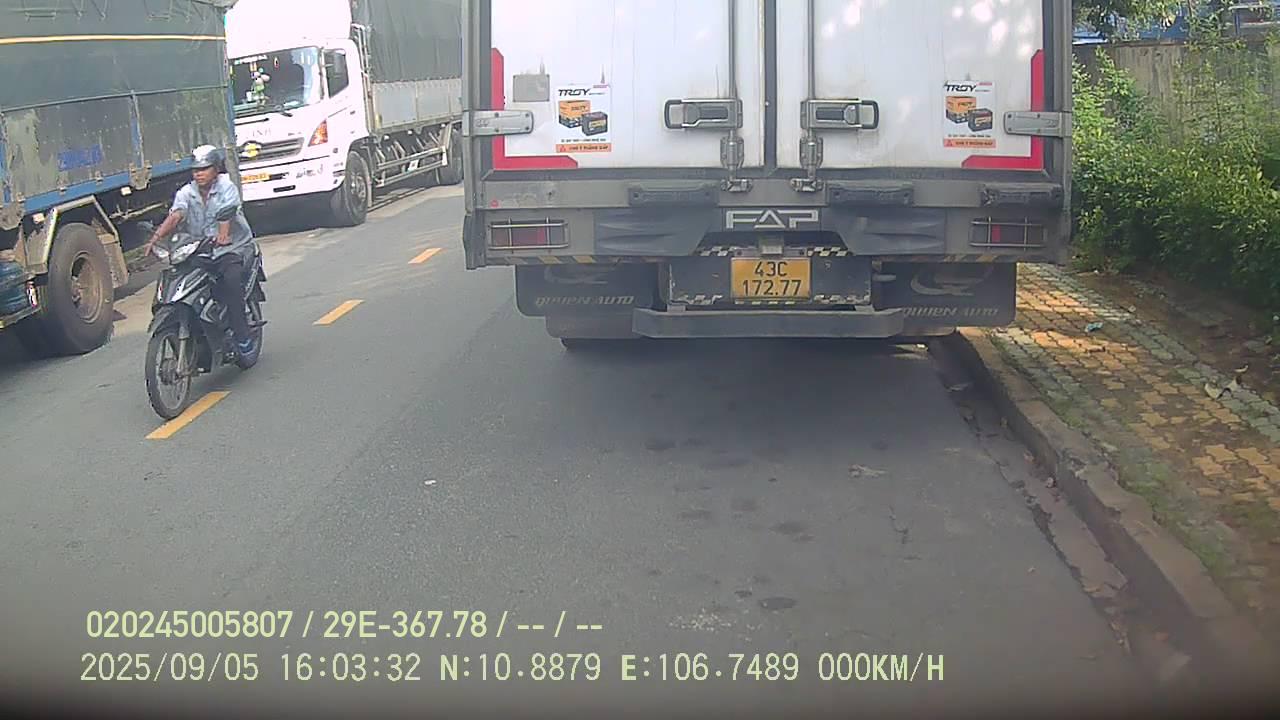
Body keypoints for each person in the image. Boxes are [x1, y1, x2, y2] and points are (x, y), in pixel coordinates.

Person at [146, 145, 258, 356]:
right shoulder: (187, 192)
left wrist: (223, 235)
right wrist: (156, 237)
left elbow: (226, 213)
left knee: (231, 281)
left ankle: (242, 335)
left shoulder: (226, 187)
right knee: (178, 277)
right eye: (196, 169)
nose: (199, 173)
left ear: (215, 169)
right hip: (199, 249)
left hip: (231, 248)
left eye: (204, 169)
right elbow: (176, 214)